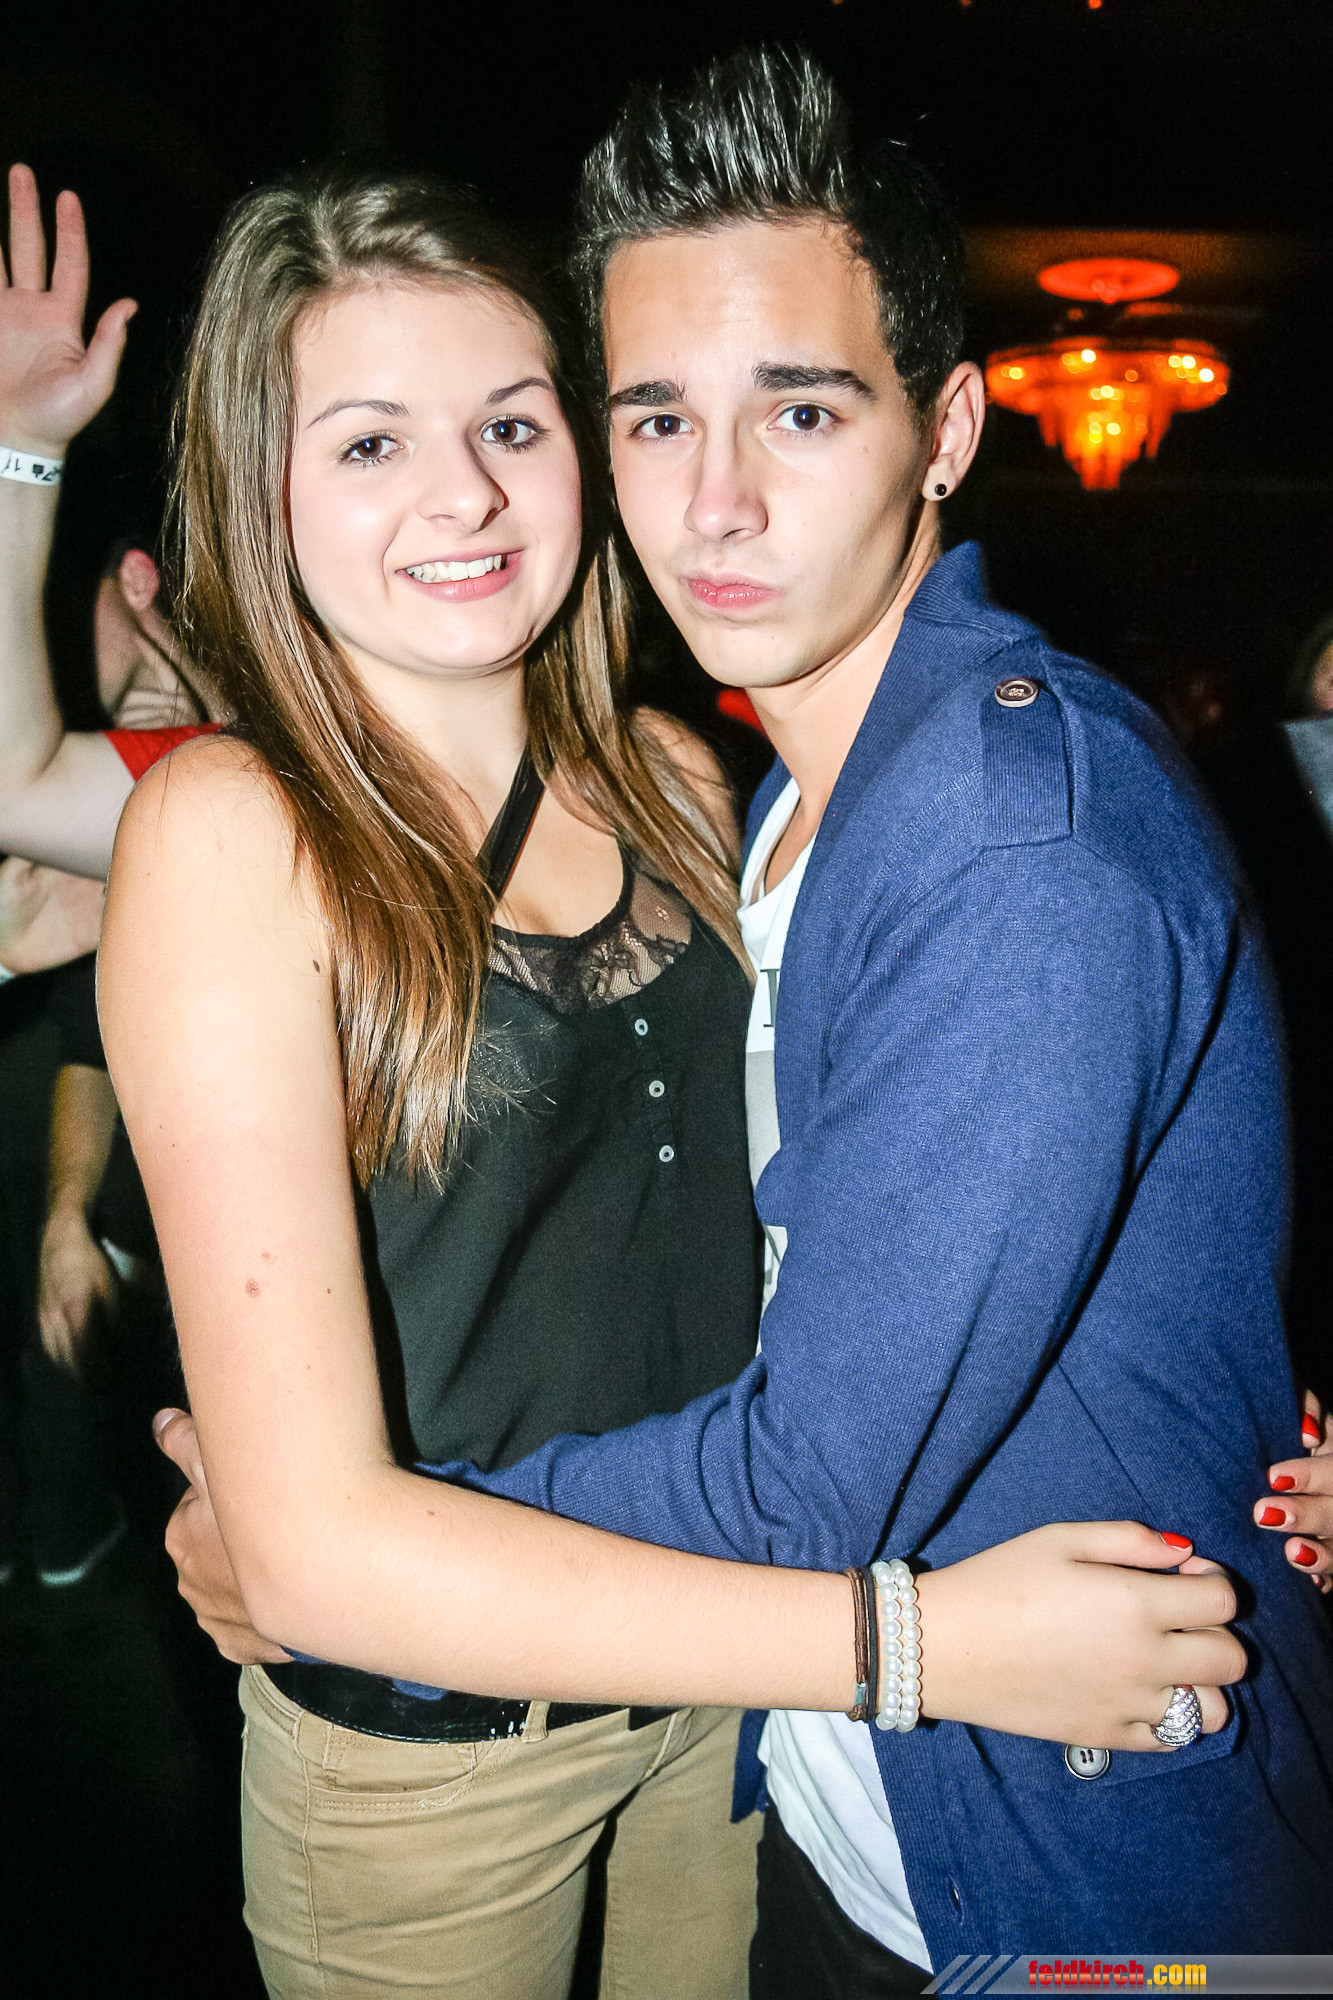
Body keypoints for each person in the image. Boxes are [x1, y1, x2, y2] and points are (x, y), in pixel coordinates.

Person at [0, 153, 1311, 1990]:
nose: (461, 492)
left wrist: (1240, 1402)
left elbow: (986, 1143)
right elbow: (313, 1553)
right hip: (439, 1756)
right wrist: (917, 1645)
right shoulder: (232, 825)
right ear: (258, 486)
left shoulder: (690, 784)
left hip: (733, 1719)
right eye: (368, 443)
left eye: (509, 424)